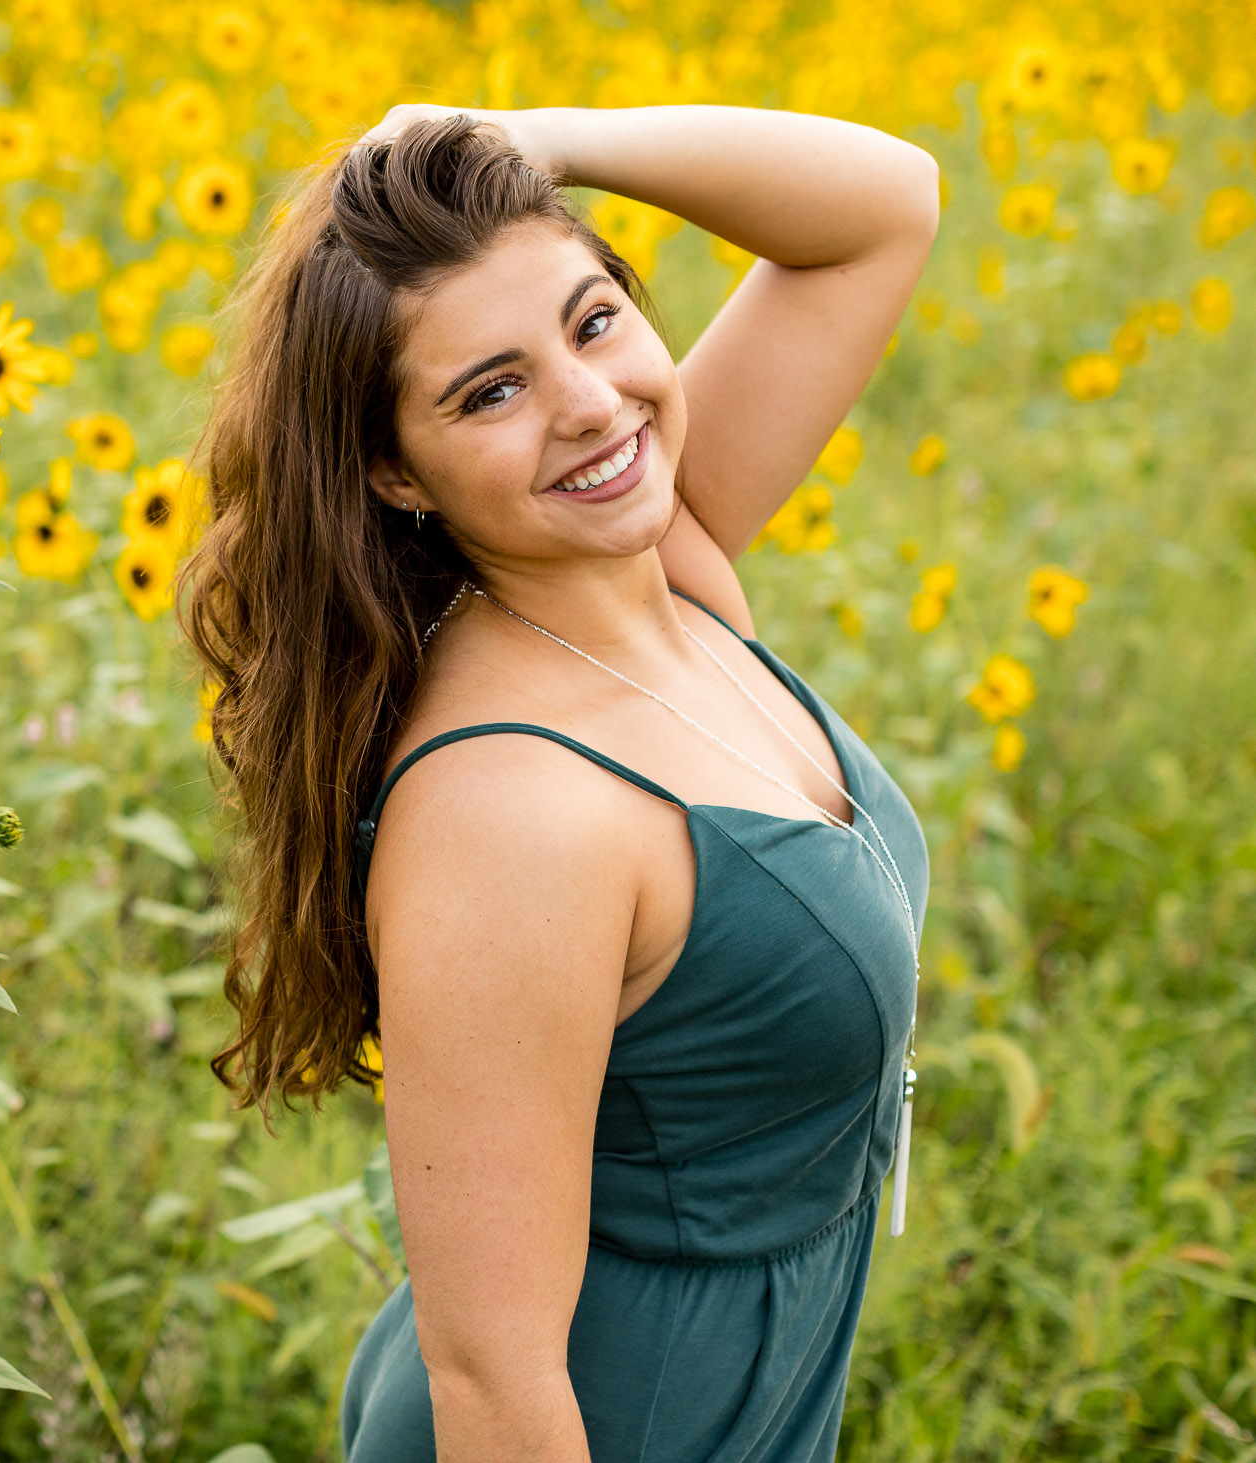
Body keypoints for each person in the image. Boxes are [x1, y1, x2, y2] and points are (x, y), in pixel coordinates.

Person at [177, 105, 941, 1463]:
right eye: (491, 390)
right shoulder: (507, 818)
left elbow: (883, 206)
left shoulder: (664, 563)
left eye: (592, 322)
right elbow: (490, 1382)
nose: (590, 404)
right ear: (392, 471)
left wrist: (535, 137)